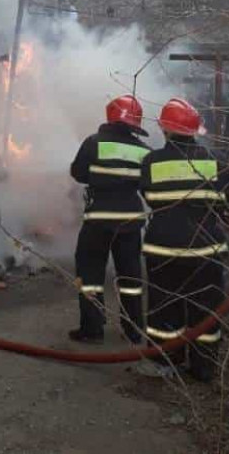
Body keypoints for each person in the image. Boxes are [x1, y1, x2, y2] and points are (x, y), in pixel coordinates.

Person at [138, 98, 229, 382]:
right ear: (195, 130)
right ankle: (204, 367)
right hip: (206, 249)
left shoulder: (151, 162)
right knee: (205, 308)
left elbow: (149, 196)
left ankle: (165, 363)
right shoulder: (217, 161)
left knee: (164, 306)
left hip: (163, 249)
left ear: (165, 129)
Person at [68, 95, 151, 345]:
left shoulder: (93, 142)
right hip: (130, 222)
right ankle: (133, 330)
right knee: (130, 277)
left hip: (98, 221)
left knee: (90, 274)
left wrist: (99, 178)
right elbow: (146, 185)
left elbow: (78, 173)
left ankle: (92, 329)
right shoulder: (143, 150)